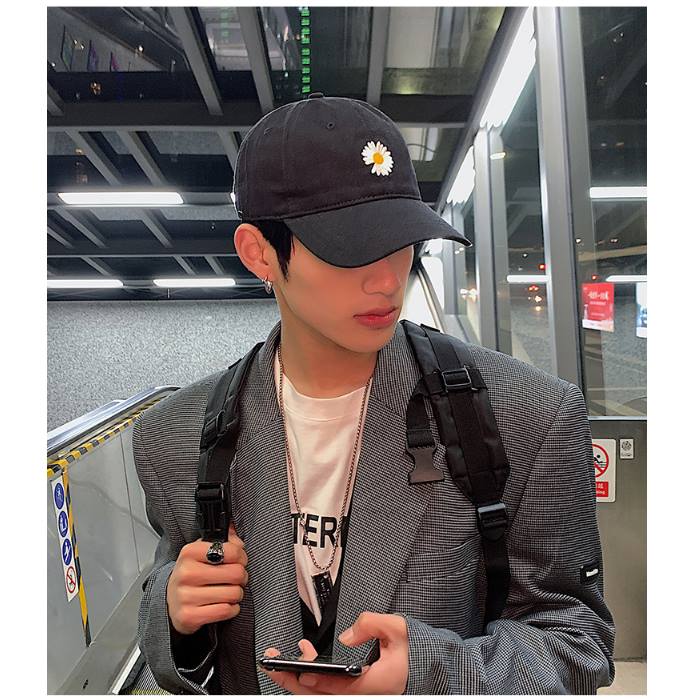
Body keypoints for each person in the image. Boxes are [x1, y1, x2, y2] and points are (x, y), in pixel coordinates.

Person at [133, 94, 615, 695]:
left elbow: (576, 641)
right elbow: (167, 617)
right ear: (259, 253)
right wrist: (177, 613)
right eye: (348, 248)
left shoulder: (526, 415)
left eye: (400, 239)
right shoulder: (178, 435)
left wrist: (429, 672)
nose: (387, 279)